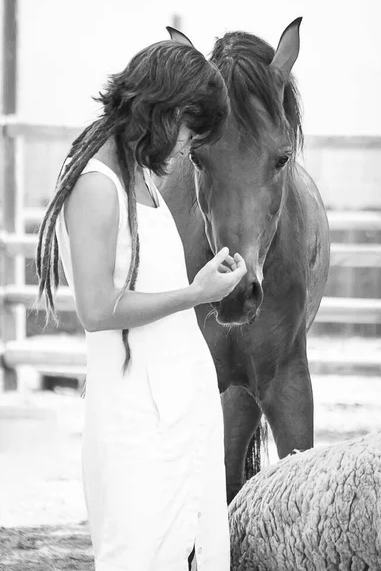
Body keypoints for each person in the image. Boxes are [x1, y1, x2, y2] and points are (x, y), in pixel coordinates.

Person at [36, 34, 247, 571]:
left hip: (180, 409)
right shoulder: (95, 182)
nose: (185, 151)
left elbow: (146, 278)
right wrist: (195, 295)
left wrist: (196, 281)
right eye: (190, 136)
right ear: (170, 110)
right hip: (137, 422)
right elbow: (97, 308)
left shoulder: (144, 173)